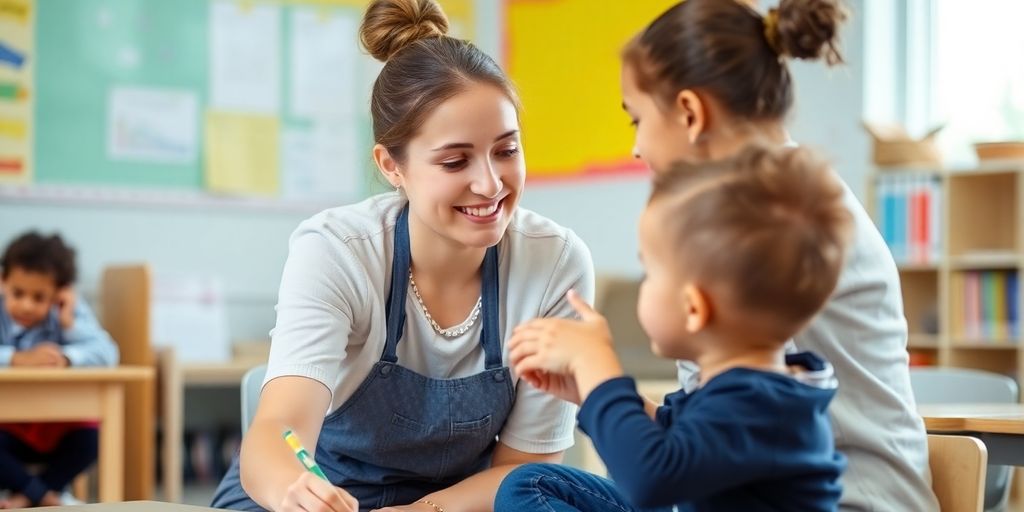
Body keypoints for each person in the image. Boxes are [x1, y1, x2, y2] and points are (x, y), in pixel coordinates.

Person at [209, 0, 594, 510]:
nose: (491, 183)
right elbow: (277, 432)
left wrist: (420, 511)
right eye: (455, 160)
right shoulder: (337, 252)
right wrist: (296, 494)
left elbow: (527, 469)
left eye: (506, 150)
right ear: (392, 165)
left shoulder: (556, 265)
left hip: (457, 505)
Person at [610, 0, 938, 508]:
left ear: (690, 113)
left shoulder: (764, 217)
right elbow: (708, 426)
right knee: (541, 488)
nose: (636, 148)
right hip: (775, 488)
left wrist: (601, 377)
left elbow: (674, 469)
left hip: (845, 501)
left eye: (636, 120)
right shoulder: (783, 198)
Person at [497, 145, 850, 511]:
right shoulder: (751, 390)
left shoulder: (762, 406)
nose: (643, 287)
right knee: (529, 484)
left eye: (650, 274)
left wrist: (598, 368)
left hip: (662, 488)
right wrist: (589, 394)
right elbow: (679, 443)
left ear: (694, 308)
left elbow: (652, 480)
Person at [0, 231, 119, 509]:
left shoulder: (68, 312)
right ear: (3, 281)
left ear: (58, 294)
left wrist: (67, 344)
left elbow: (108, 353)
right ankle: (43, 496)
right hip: (6, 425)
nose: (26, 305)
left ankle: (24, 497)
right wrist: (17, 358)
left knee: (89, 441)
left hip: (55, 425)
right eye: (18, 293)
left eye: (39, 297)